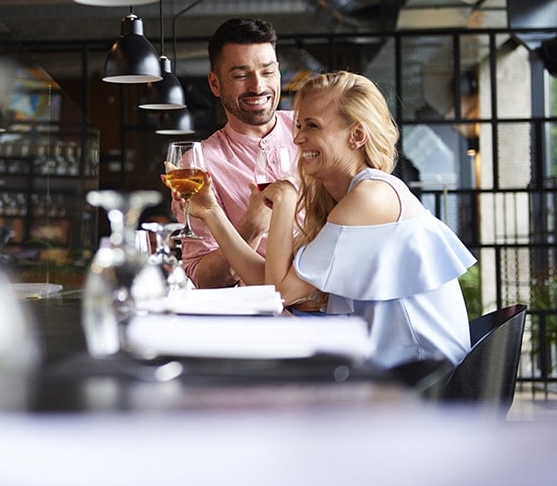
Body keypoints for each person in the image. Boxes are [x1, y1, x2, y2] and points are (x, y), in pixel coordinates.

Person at [184, 70, 474, 368]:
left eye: (312, 126)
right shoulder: (350, 195)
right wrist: (212, 213)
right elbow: (274, 284)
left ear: (357, 135)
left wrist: (285, 202)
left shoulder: (371, 196)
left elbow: (278, 294)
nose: (297, 138)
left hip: (424, 381)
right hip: (395, 368)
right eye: (298, 125)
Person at [171, 18, 298, 288]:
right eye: (241, 75)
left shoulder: (310, 129)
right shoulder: (199, 164)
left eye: (268, 71)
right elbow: (203, 280)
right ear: (215, 84)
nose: (258, 86)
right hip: (257, 318)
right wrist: (251, 226)